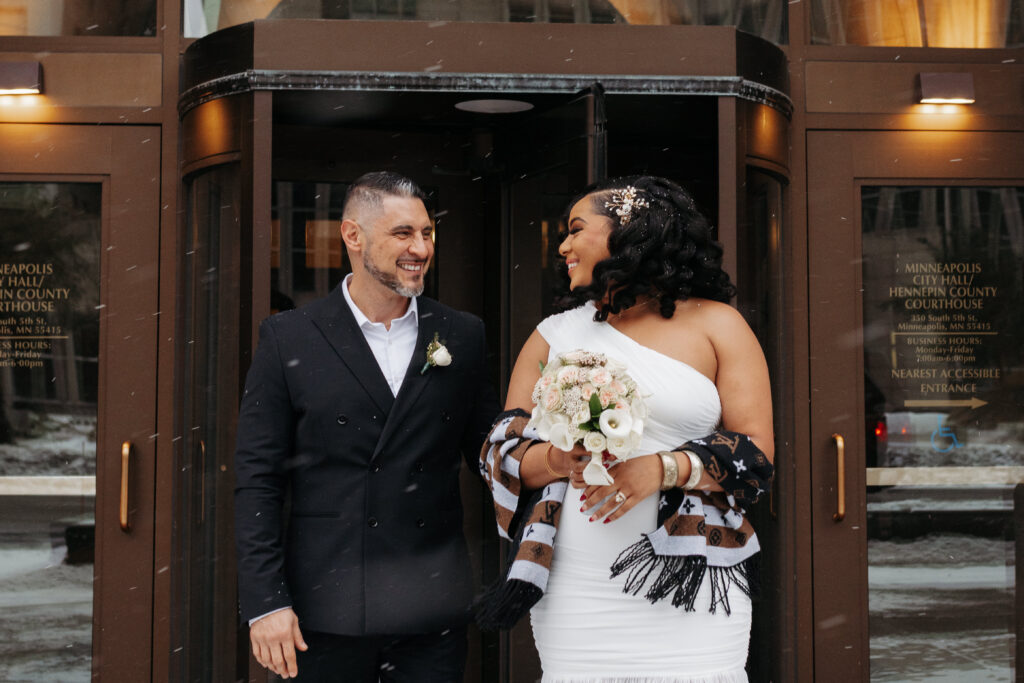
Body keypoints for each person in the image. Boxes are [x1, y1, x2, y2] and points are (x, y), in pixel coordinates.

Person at [477, 175, 775, 682]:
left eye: (576, 229)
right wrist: (557, 458)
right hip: (578, 580)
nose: (563, 246)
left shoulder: (718, 325)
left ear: (630, 231)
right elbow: (501, 452)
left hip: (691, 576)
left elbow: (756, 454)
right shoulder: (553, 336)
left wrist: (663, 469)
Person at [234, 171, 498, 681]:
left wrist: (557, 456)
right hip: (322, 604)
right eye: (403, 233)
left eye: (427, 233)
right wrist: (266, 601)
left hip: (431, 603)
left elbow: (491, 454)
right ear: (352, 236)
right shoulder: (289, 337)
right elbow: (257, 479)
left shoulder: (462, 334)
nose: (421, 248)